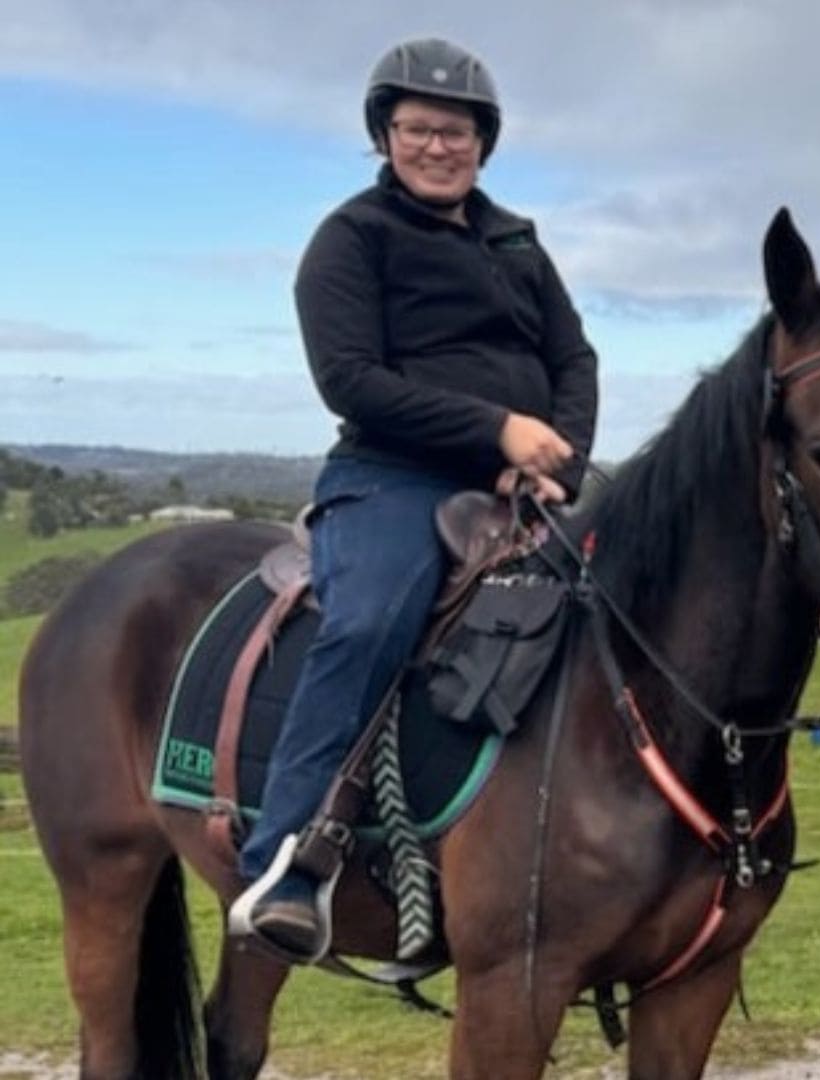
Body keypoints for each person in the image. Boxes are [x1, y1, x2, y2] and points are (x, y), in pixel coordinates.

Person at [228, 37, 598, 961]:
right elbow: (351, 379)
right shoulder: (352, 239)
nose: (439, 147)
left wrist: (558, 461)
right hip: (392, 477)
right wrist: (494, 431)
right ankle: (289, 862)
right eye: (420, 129)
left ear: (486, 141)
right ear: (384, 135)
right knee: (370, 620)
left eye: (458, 132)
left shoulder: (518, 240)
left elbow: (573, 359)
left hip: (521, 482)